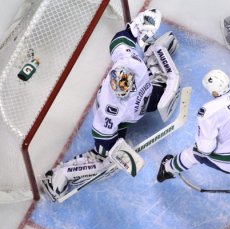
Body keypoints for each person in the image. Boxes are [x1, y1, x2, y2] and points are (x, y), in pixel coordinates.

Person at [42, 8, 181, 201]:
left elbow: (119, 40)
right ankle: (62, 174)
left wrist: (135, 29)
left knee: (161, 86)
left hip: (145, 97)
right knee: (105, 162)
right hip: (121, 122)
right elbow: (104, 137)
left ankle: (154, 54)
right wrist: (116, 149)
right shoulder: (109, 112)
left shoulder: (128, 61)